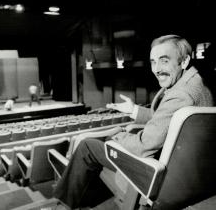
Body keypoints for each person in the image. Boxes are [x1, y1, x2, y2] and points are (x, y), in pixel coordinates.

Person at [53, 35, 214, 209]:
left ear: (184, 61)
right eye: (153, 62)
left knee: (87, 146)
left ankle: (63, 205)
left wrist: (118, 136)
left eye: (164, 60)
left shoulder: (181, 95)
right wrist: (134, 110)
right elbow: (170, 120)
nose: (156, 69)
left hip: (156, 173)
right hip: (191, 177)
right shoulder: (198, 85)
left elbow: (145, 145)